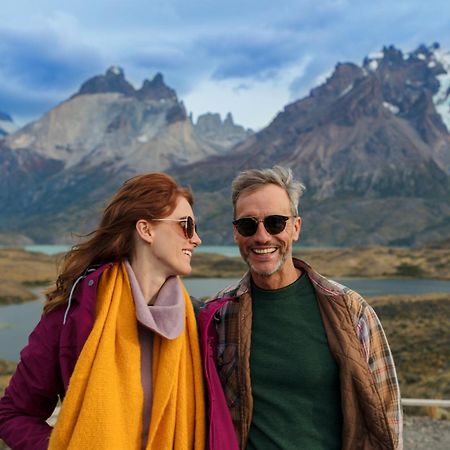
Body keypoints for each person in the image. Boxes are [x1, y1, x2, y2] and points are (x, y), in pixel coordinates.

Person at [198, 166, 403, 450]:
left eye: (275, 223)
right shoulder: (218, 316)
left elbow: (385, 415)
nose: (261, 237)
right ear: (236, 234)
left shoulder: (350, 309)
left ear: (295, 227)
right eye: (248, 225)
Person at [0, 173, 206, 450]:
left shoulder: (194, 320)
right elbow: (14, 413)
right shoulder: (75, 313)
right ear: (146, 229)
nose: (197, 239)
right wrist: (63, 445)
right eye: (187, 225)